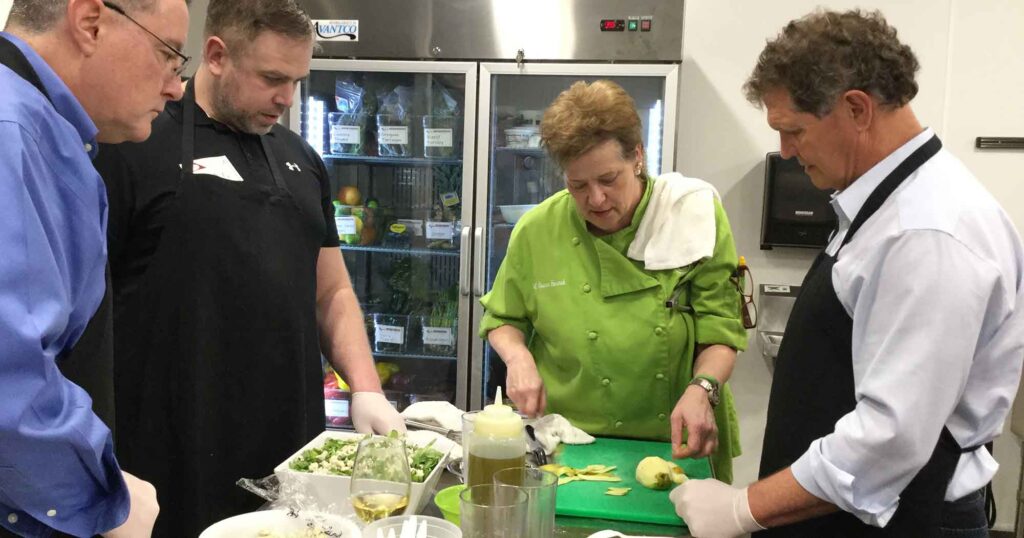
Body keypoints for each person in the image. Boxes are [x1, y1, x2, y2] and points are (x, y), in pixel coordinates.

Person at [672, 9, 1024, 538]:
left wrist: (743, 508)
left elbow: (891, 438)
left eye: (793, 131)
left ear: (856, 108)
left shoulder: (925, 232)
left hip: (907, 522)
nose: (786, 152)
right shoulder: (882, 206)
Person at [90, 0, 405, 535]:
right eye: (272, 78)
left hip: (290, 457)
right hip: (170, 460)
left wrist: (367, 388)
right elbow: (86, 315)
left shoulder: (303, 160)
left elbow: (330, 292)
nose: (287, 98)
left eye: (297, 80)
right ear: (215, 55)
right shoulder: (134, 144)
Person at [480, 80, 750, 483]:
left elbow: (721, 330)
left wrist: (703, 389)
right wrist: (518, 359)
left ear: (637, 157)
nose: (597, 199)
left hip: (676, 437)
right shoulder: (537, 231)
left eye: (609, 179)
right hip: (567, 441)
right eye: (578, 185)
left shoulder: (691, 218)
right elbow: (503, 316)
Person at [0, 0, 189, 536]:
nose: (176, 88)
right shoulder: (10, 131)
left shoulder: (47, 130)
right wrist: (100, 495)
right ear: (90, 21)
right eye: (169, 55)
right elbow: (6, 377)